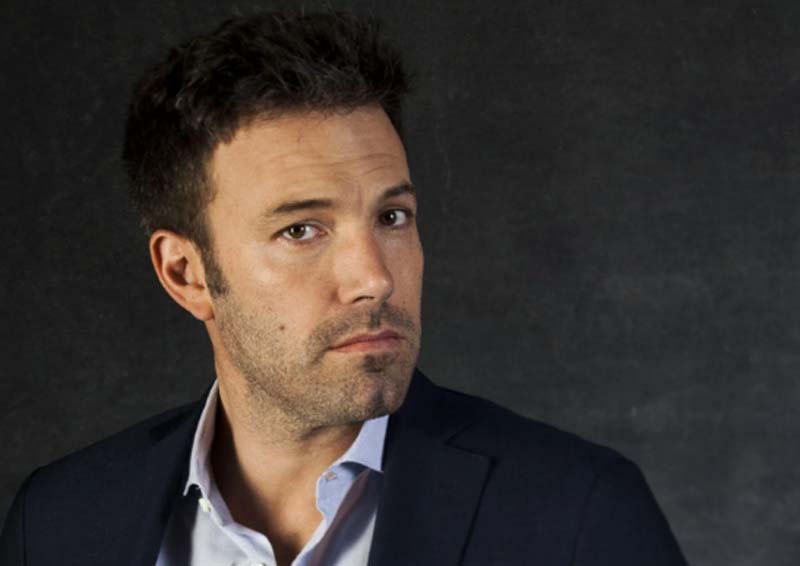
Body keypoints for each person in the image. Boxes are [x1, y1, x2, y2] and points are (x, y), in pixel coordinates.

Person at [0, 10, 686, 566]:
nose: (375, 277)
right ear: (186, 274)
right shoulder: (59, 523)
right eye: (301, 230)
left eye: (392, 217)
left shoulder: (579, 515)